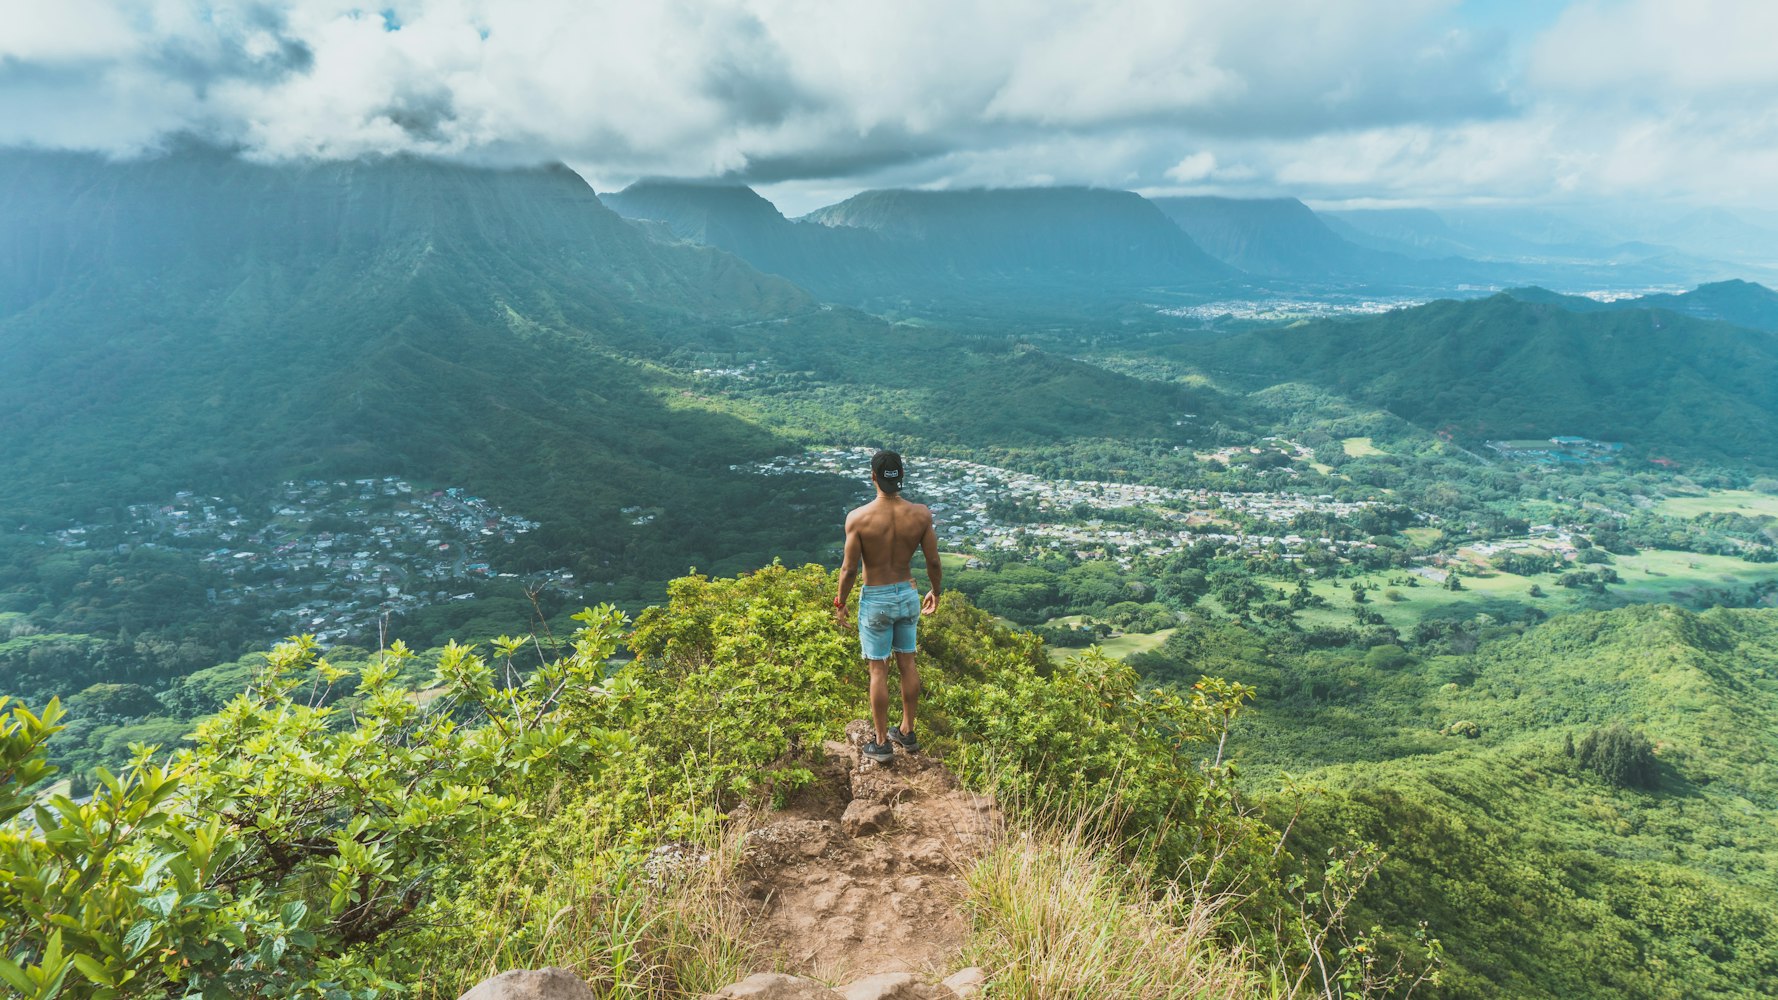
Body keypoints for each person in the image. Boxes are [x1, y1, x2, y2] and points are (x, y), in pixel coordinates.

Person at [833, 450, 941, 765]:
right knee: (908, 663)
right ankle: (907, 731)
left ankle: (881, 743)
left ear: (873, 477)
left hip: (876, 597)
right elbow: (933, 560)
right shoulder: (921, 514)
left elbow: (849, 570)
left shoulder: (858, 518)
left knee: (878, 669)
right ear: (902, 477)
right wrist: (936, 591)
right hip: (908, 594)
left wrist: (841, 602)